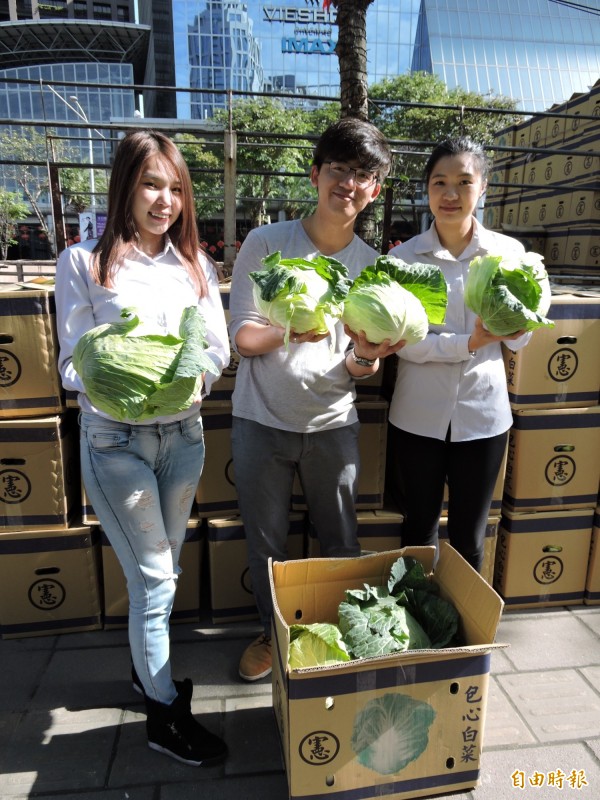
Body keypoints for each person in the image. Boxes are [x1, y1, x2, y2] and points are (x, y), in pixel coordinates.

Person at [54, 130, 230, 766]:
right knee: (155, 582)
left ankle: (143, 671)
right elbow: (73, 361)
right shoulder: (83, 263)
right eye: (152, 184)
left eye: (176, 187)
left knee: (164, 572)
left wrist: (192, 379)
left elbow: (215, 346)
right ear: (125, 185)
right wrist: (129, 388)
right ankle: (163, 714)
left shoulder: (195, 266)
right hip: (115, 441)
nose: (165, 200)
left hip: (184, 438)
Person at [228, 117, 405, 682]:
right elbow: (242, 339)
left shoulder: (373, 268)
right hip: (261, 419)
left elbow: (358, 370)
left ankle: (339, 635)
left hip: (332, 424)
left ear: (374, 190)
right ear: (316, 175)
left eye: (362, 176)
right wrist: (288, 332)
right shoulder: (267, 243)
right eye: (338, 170)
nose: (348, 184)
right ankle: (270, 632)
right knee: (266, 544)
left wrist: (371, 353)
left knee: (341, 543)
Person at [387, 136, 536, 573]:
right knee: (418, 531)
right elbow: (407, 345)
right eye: (439, 182)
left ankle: (464, 632)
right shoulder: (405, 258)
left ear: (483, 186)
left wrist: (515, 329)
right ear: (427, 189)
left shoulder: (509, 254)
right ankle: (415, 628)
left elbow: (519, 340)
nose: (450, 195)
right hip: (416, 418)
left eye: (463, 182)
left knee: (469, 537)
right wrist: (468, 343)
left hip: (483, 419)